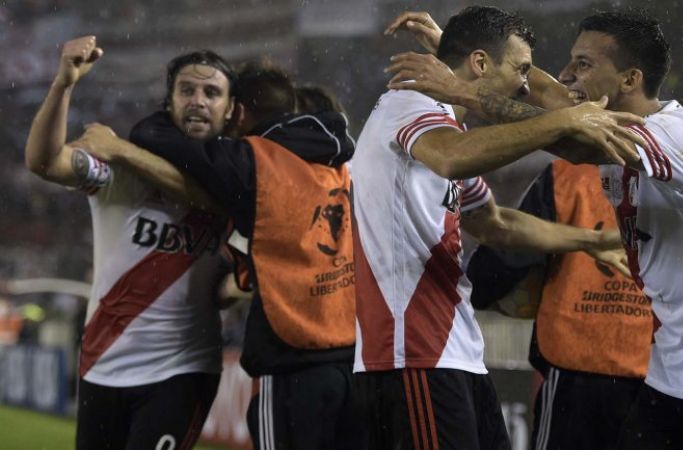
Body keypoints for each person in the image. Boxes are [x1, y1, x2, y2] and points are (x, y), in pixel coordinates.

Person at [386, 8, 683, 449]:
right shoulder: (616, 121)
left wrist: (462, 91)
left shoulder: (673, 134)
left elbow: (569, 138)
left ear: (629, 80)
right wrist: (463, 53)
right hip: (672, 370)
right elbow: (551, 96)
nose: (567, 73)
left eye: (583, 64)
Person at [351, 6, 647, 450]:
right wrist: (562, 120)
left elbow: (496, 221)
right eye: (521, 68)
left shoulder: (449, 129)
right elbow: (452, 156)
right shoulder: (409, 102)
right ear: (481, 63)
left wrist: (590, 242)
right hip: (411, 352)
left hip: (456, 352)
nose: (526, 84)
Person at [79, 60, 365, 450]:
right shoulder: (344, 167)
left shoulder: (252, 164)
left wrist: (119, 150)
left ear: (239, 112)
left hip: (293, 365)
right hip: (356, 363)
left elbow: (156, 137)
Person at [24, 37, 233, 449]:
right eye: (187, 90)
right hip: (103, 362)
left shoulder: (237, 181)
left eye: (212, 93)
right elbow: (43, 161)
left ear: (231, 110)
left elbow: (212, 198)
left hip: (182, 370)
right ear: (169, 102)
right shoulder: (120, 173)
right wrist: (63, 84)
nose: (198, 100)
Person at [468, 160, 652, 450]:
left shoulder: (568, 174)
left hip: (576, 366)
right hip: (659, 372)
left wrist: (481, 287)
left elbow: (504, 261)